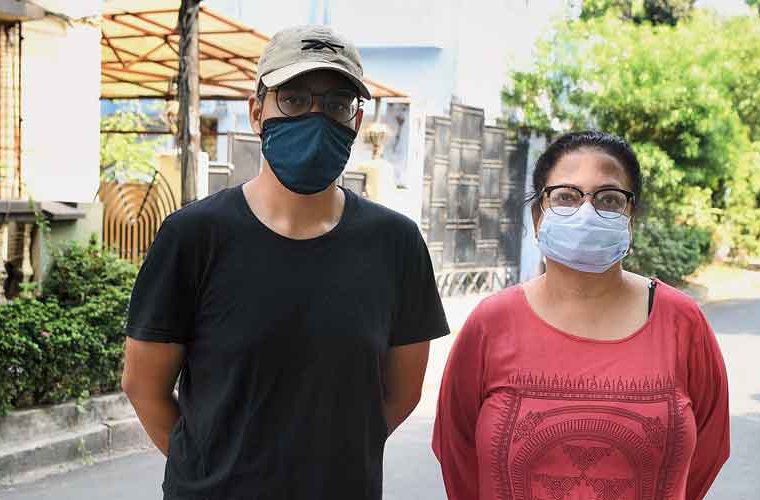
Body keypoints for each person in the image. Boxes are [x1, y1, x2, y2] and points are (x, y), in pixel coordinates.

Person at [121, 25, 449, 500]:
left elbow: (402, 395)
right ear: (258, 113)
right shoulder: (193, 236)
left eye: (336, 104)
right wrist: (208, 473)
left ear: (356, 123)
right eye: (294, 100)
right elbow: (143, 385)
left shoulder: (395, 243)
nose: (316, 117)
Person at [433, 131, 729, 500]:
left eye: (608, 198)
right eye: (566, 197)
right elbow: (457, 453)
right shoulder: (490, 324)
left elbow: (709, 449)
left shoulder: (681, 321)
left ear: (630, 215)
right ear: (538, 214)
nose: (586, 212)